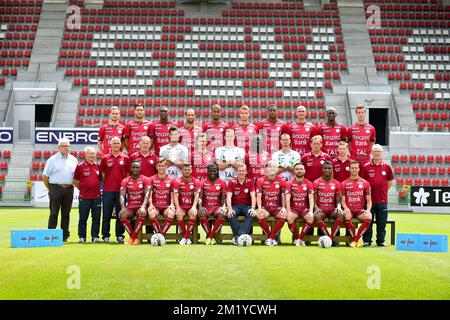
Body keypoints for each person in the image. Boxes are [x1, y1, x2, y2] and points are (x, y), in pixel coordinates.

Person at [42, 137, 78, 242]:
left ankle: (65, 236)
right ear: (59, 147)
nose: (66, 148)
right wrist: (51, 189)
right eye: (64, 146)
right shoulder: (52, 160)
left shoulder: (73, 159)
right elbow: (45, 176)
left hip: (69, 189)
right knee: (54, 212)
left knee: (66, 214)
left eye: (68, 146)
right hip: (55, 188)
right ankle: (51, 235)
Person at [360, 144, 394, 247]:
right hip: (368, 201)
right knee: (368, 221)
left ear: (382, 153)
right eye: (375, 151)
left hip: (382, 200)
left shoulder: (387, 167)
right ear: (371, 153)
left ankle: (381, 241)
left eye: (378, 151)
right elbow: (362, 182)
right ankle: (367, 241)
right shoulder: (366, 167)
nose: (377, 153)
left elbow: (390, 182)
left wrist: (383, 190)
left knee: (382, 222)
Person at [99, 136, 130, 243]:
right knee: (106, 214)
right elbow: (102, 175)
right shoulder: (105, 158)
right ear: (110, 145)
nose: (116, 145)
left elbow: (127, 175)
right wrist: (108, 183)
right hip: (108, 190)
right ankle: (105, 236)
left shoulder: (125, 158)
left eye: (118, 143)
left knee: (120, 214)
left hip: (121, 191)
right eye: (114, 143)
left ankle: (119, 235)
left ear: (120, 145)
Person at [73, 146, 102, 243]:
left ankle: (95, 237)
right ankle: (82, 237)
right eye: (90, 154)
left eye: (93, 154)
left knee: (96, 219)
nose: (92, 156)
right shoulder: (80, 166)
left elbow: (101, 179)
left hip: (97, 197)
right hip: (84, 197)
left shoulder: (98, 166)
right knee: (83, 219)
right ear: (85, 155)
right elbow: (75, 180)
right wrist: (82, 189)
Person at [118, 161, 151, 245]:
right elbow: (122, 195)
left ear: (140, 169)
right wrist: (123, 207)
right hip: (130, 207)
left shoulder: (146, 179)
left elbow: (147, 194)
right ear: (130, 169)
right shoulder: (125, 180)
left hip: (141, 206)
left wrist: (143, 206)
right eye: (133, 167)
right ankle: (134, 237)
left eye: (137, 167)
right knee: (122, 214)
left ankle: (132, 238)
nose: (135, 169)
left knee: (142, 212)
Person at [341, 160, 372, 248]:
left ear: (359, 169)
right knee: (346, 216)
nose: (354, 170)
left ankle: (355, 240)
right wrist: (346, 208)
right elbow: (343, 200)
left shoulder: (365, 183)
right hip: (349, 209)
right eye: (352, 168)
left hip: (360, 210)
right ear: (349, 169)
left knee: (369, 217)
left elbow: (369, 200)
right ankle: (355, 239)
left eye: (356, 168)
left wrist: (368, 210)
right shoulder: (344, 183)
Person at [256, 160, 288, 246]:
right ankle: (272, 238)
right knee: (259, 215)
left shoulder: (281, 181)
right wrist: (259, 208)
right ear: (266, 169)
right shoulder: (261, 180)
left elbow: (283, 196)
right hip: (265, 208)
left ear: (277, 169)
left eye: (274, 167)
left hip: (277, 208)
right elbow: (258, 196)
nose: (272, 169)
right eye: (270, 167)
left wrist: (284, 208)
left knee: (284, 215)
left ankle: (271, 238)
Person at [313, 161, 343, 245]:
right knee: (317, 216)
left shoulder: (337, 183)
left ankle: (332, 237)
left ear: (332, 170)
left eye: (329, 168)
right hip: (321, 209)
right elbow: (313, 199)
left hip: (332, 210)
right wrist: (316, 207)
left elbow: (338, 200)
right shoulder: (316, 182)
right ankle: (329, 238)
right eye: (325, 168)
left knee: (340, 214)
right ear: (322, 169)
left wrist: (339, 207)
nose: (327, 170)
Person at [285, 163, 315, 246]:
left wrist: (311, 211)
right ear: (294, 171)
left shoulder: (309, 183)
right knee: (289, 217)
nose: (299, 171)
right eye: (297, 169)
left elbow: (311, 198)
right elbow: (287, 198)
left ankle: (299, 239)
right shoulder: (289, 183)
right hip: (294, 209)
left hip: (304, 209)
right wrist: (289, 211)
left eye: (301, 169)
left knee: (311, 217)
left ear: (304, 171)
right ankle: (298, 238)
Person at [226, 164, 257, 245]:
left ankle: (238, 236)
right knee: (231, 214)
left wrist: (253, 208)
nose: (241, 172)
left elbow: (253, 195)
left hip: (247, 206)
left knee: (251, 213)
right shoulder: (231, 182)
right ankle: (241, 236)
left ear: (246, 172)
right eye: (239, 171)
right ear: (237, 172)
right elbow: (228, 196)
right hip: (235, 206)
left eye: (243, 171)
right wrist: (229, 209)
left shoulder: (250, 182)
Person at [198, 164, 227, 245]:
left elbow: (224, 198)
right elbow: (199, 197)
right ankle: (211, 237)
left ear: (217, 171)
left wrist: (223, 207)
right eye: (210, 171)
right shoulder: (202, 182)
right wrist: (200, 207)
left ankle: (210, 237)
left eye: (214, 171)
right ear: (207, 171)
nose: (212, 173)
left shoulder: (222, 182)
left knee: (223, 214)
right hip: (206, 206)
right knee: (201, 214)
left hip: (216, 207)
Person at [173, 164, 201, 245]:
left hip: (190, 206)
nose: (187, 171)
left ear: (191, 171)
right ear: (182, 170)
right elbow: (175, 196)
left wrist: (194, 207)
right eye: (185, 170)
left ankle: (185, 238)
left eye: (189, 170)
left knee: (194, 213)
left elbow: (196, 195)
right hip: (181, 206)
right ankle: (187, 237)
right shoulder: (177, 181)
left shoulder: (196, 181)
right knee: (179, 214)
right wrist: (177, 208)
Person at [147, 158, 176, 236]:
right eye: (159, 166)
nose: (161, 167)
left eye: (163, 165)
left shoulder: (172, 179)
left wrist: (172, 204)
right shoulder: (151, 179)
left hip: (166, 206)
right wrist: (150, 204)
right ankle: (158, 234)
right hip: (155, 206)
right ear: (156, 167)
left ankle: (161, 235)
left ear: (166, 166)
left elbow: (173, 193)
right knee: (151, 213)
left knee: (171, 213)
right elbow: (150, 193)